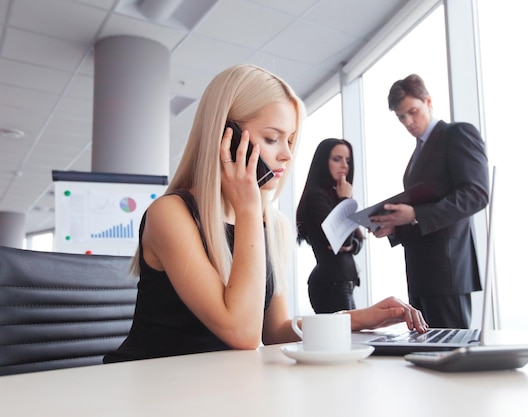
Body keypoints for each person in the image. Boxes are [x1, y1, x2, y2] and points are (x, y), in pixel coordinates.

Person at [103, 65, 428, 363]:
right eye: (272, 138)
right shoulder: (171, 215)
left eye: (290, 140)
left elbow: (275, 330)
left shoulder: (270, 223)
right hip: (153, 391)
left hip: (215, 389)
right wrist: (248, 208)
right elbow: (244, 335)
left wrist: (356, 318)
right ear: (225, 138)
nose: (286, 154)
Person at [369, 73, 489, 329]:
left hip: (448, 269)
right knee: (428, 353)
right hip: (421, 271)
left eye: (413, 111)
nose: (408, 122)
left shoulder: (457, 134)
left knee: (452, 351)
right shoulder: (418, 152)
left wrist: (413, 215)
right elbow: (422, 204)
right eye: (401, 117)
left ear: (429, 101)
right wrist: (395, 225)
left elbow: (476, 194)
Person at [296, 138, 364, 313]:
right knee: (344, 338)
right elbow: (342, 240)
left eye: (348, 161)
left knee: (349, 336)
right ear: (323, 161)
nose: (344, 166)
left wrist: (351, 245)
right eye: (337, 159)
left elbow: (356, 242)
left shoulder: (333, 195)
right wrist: (345, 200)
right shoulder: (317, 197)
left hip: (341, 282)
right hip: (330, 284)